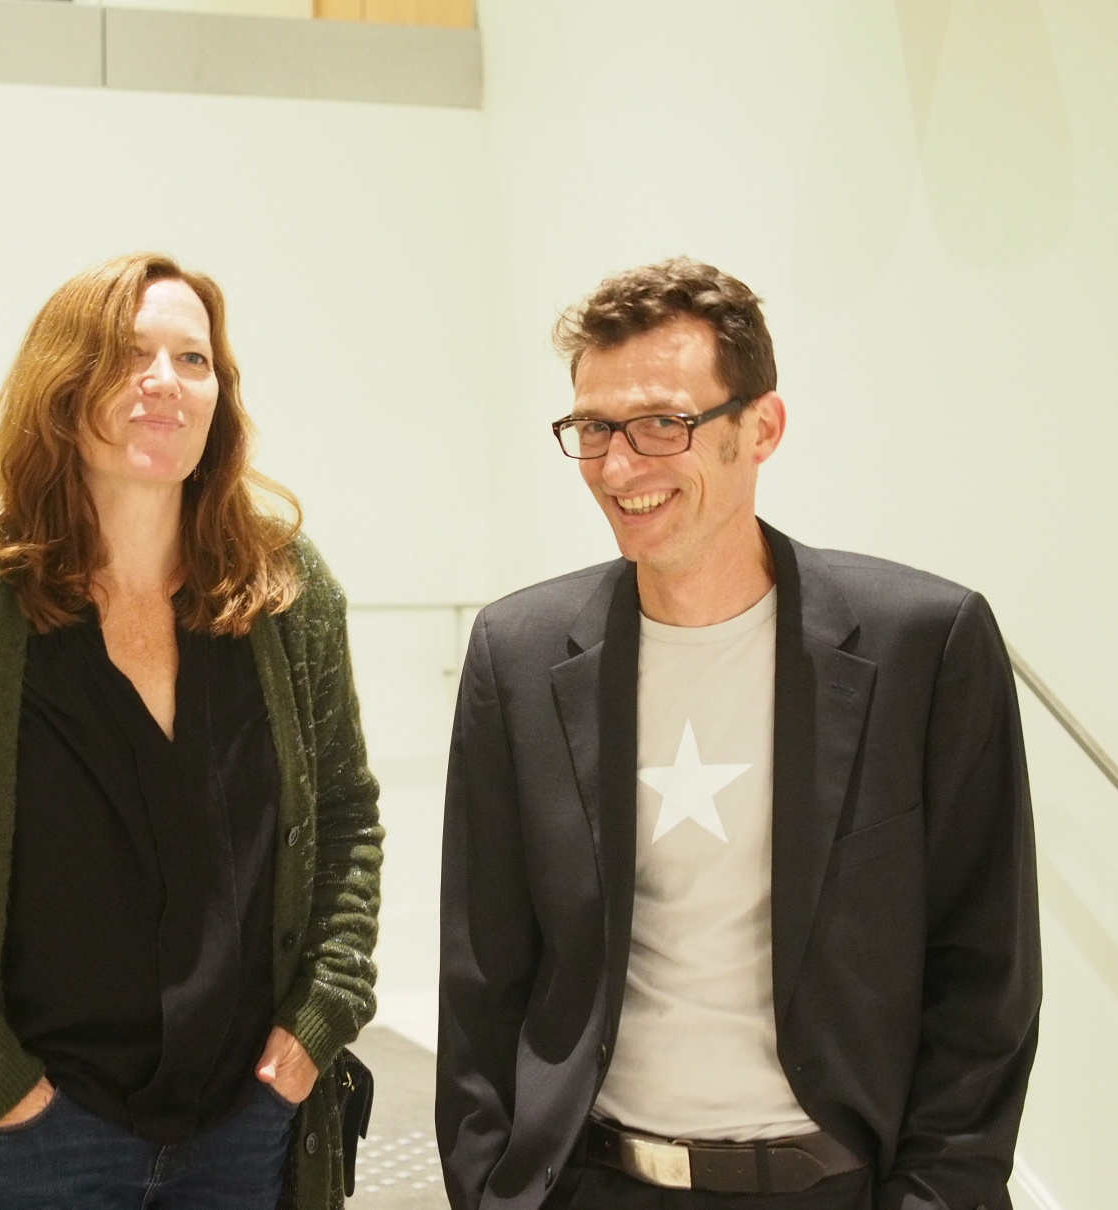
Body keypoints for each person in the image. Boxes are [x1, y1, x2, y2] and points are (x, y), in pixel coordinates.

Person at [436, 257, 1038, 1210]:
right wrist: (489, 1190)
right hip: (593, 1182)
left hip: (834, 1186)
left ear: (760, 428)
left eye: (661, 424)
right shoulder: (516, 654)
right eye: (592, 428)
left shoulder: (923, 646)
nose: (618, 466)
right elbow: (482, 972)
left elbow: (985, 977)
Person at [0, 252, 382, 1210]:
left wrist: (319, 1020)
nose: (165, 381)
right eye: (129, 355)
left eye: (193, 359)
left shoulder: (285, 591)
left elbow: (344, 817)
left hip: (249, 1118)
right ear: (60, 387)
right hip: (42, 1136)